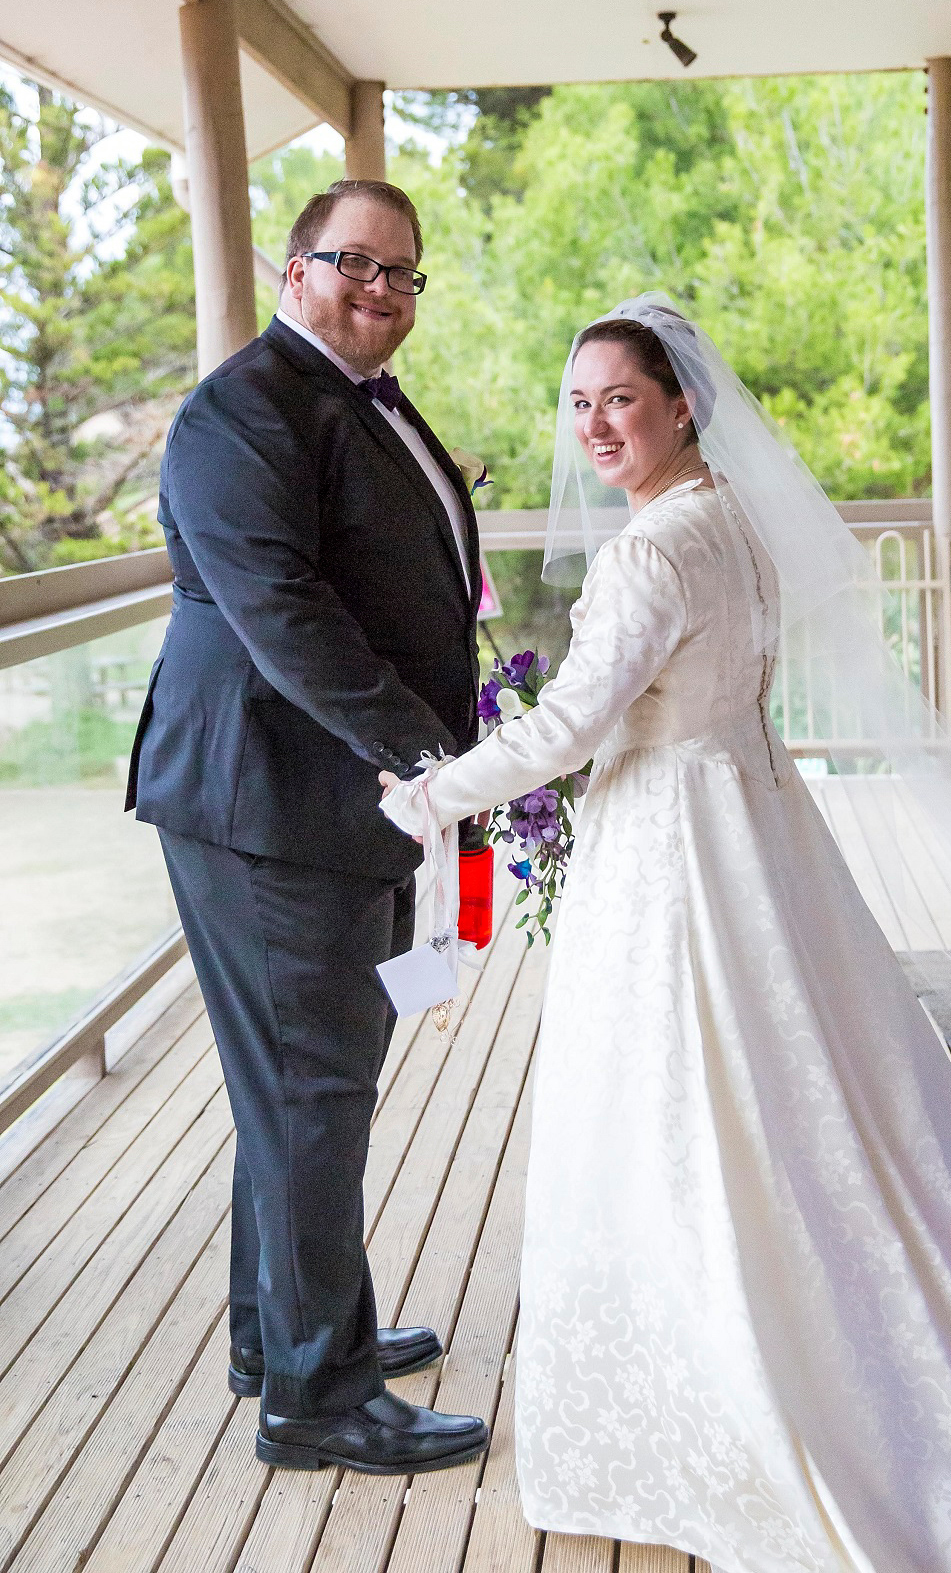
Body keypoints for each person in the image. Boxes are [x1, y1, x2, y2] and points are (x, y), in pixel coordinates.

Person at [380, 296, 951, 1571]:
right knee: (791, 1101)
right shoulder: (733, 522)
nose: (595, 424)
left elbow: (570, 729)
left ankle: (733, 1401)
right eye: (580, 402)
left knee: (676, 1112)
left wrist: (434, 792)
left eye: (621, 399)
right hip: (755, 827)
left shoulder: (651, 552)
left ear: (680, 404)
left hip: (674, 855)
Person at [126, 179, 490, 1476]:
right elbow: (281, 613)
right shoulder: (239, 412)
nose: (381, 291)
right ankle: (315, 1397)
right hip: (269, 804)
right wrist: (433, 755)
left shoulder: (358, 405)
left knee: (298, 1093)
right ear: (295, 271)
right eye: (356, 264)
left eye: (404, 274)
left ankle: (275, 1333)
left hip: (350, 803)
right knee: (313, 1090)